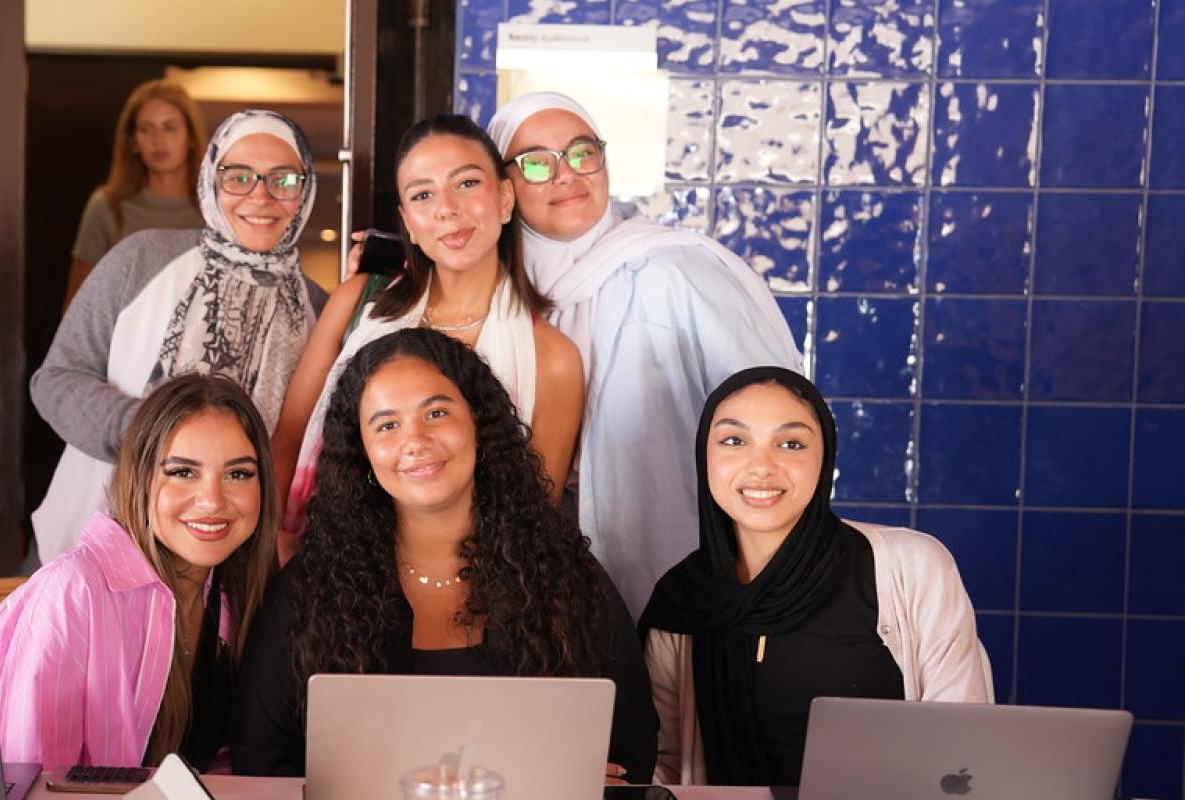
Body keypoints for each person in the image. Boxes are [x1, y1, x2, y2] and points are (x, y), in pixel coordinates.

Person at [232, 329, 653, 782]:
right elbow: (260, 763)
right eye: (387, 425)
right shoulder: (309, 592)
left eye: (436, 412)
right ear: (362, 453)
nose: (415, 440)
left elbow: (630, 752)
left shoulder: (564, 576)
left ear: (478, 425)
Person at [486, 92, 803, 614]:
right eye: (537, 163)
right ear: (504, 188)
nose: (567, 175)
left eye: (582, 153)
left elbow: (778, 414)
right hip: (555, 578)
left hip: (690, 558)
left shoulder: (672, 270)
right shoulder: (501, 300)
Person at [640, 366, 992, 786]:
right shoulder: (683, 600)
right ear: (704, 456)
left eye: (791, 444)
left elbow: (964, 748)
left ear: (824, 460)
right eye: (734, 441)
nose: (761, 466)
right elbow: (666, 766)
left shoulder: (913, 568)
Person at [273, 113, 583, 560]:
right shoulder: (359, 303)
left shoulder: (551, 357)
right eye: (423, 194)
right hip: (331, 564)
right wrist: (280, 551)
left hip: (479, 580)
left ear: (505, 198)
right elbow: (289, 439)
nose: (447, 209)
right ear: (408, 223)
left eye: (467, 183)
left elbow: (535, 516)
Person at [31, 109, 326, 565]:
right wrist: (160, 438)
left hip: (238, 562)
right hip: (103, 536)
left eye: (283, 180)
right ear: (210, 180)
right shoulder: (141, 259)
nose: (260, 196)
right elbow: (56, 380)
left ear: (304, 191)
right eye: (238, 177)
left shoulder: (317, 309)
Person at [0, 373, 279, 769]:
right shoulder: (72, 592)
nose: (212, 500)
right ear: (140, 477)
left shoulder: (234, 595)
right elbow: (33, 782)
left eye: (238, 474)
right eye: (182, 472)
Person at [66, 79, 208, 308]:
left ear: (190, 137)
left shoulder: (217, 209)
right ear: (133, 141)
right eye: (146, 129)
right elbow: (76, 310)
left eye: (170, 127)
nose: (158, 140)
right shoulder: (108, 206)